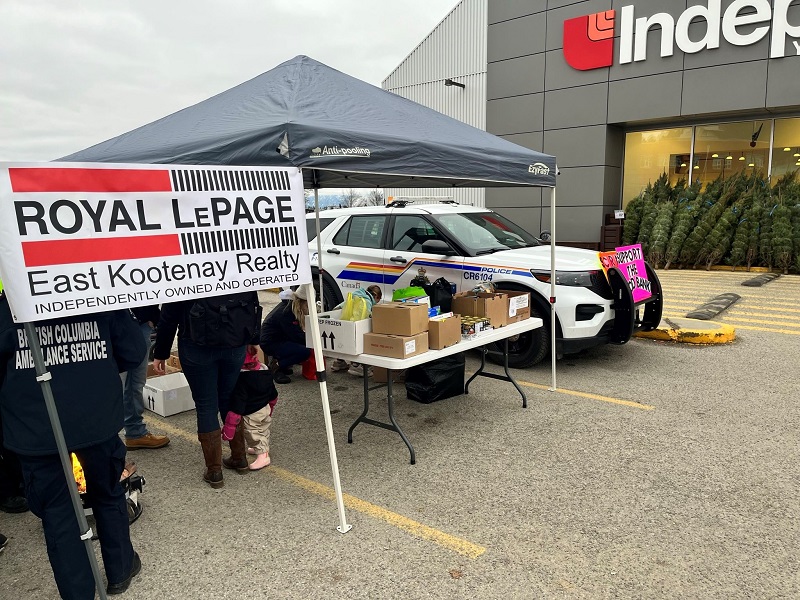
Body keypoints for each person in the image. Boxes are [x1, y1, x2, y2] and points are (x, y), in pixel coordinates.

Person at [0, 282, 146, 597]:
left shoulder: (6, 307)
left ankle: (78, 590)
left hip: (37, 429)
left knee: (58, 512)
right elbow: (133, 352)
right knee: (107, 493)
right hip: (92, 419)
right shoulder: (95, 298)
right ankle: (119, 570)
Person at [152, 292, 261, 488]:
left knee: (206, 404)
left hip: (196, 345)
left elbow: (169, 315)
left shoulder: (183, 270)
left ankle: (214, 471)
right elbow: (253, 302)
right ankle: (239, 457)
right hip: (234, 341)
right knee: (229, 398)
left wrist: (161, 351)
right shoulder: (233, 264)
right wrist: (254, 337)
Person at [221, 346, 279, 471]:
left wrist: (229, 427)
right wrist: (271, 407)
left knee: (253, 432)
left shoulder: (241, 380)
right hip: (265, 407)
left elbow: (238, 405)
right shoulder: (265, 372)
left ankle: (263, 456)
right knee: (263, 429)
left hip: (251, 412)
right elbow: (273, 393)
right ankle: (261, 448)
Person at [121, 306, 170, 450]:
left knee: (133, 383)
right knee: (131, 383)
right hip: (130, 324)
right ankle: (134, 432)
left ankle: (134, 431)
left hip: (137, 323)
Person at [260, 287, 315, 384]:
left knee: (302, 347)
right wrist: (313, 341)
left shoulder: (291, 307)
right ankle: (276, 367)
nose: (309, 308)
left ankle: (281, 362)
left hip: (279, 338)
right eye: (307, 305)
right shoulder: (286, 312)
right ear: (301, 302)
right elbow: (296, 336)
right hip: (270, 342)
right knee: (305, 352)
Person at [328, 285, 382, 377]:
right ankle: (356, 365)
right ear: (376, 296)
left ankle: (339, 362)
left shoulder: (355, 295)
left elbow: (339, 307)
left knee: (342, 342)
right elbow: (367, 318)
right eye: (378, 300)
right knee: (362, 338)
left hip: (342, 324)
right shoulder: (367, 301)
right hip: (354, 328)